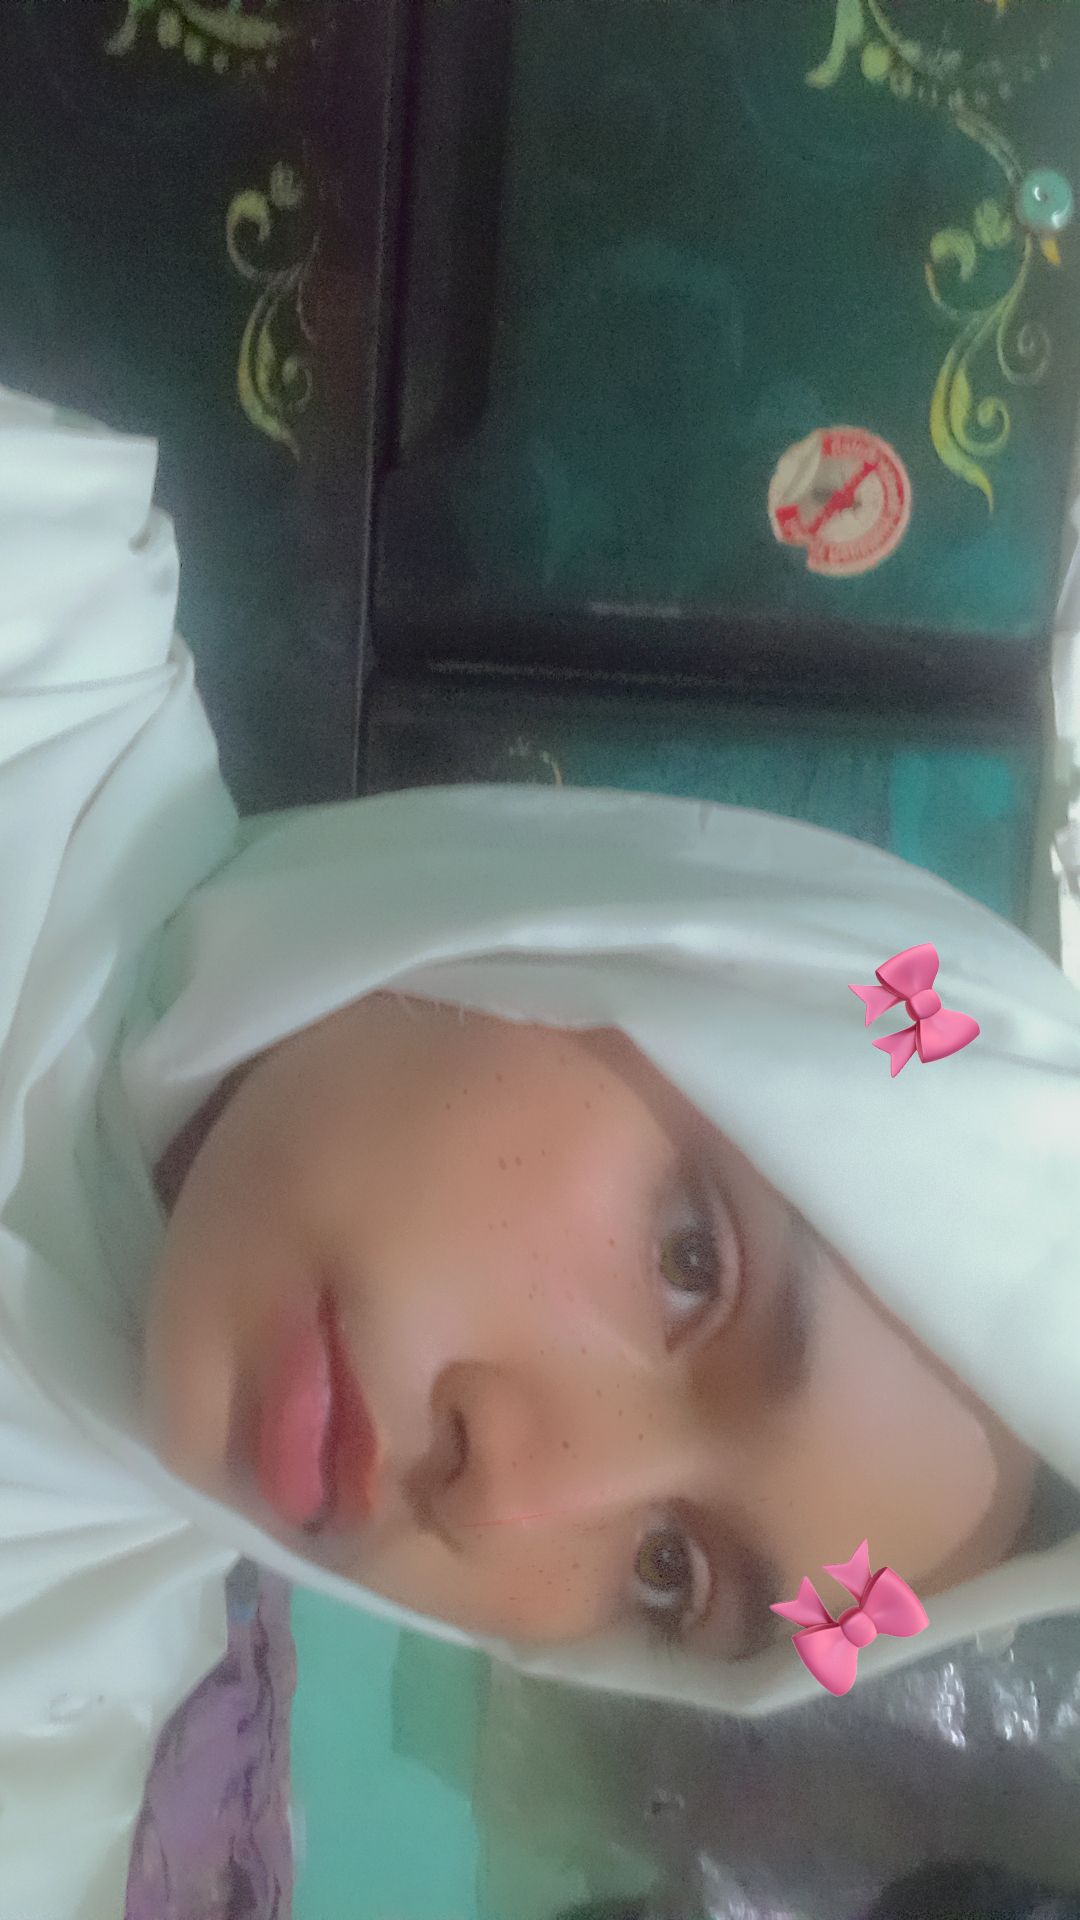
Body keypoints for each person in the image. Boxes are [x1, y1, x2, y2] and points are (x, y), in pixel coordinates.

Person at [3, 384, 1080, 1918]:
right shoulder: (32, 596)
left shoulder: (48, 1748)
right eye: (692, 1264)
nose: (508, 1495)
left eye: (669, 1575)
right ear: (603, 941)